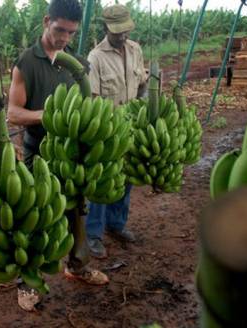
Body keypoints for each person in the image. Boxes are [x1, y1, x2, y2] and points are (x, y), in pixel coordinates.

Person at [8, 0, 109, 312]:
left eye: (70, 32)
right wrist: (50, 115)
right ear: (46, 20)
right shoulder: (26, 62)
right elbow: (13, 113)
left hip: (72, 156)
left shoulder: (78, 65)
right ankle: (27, 281)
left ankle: (78, 266)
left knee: (77, 212)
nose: (64, 37)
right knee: (35, 217)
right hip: (38, 153)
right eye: (59, 29)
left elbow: (87, 106)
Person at [86, 4, 148, 259]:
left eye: (125, 31)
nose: (122, 36)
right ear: (105, 28)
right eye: (117, 32)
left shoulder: (136, 50)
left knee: (126, 180)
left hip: (132, 128)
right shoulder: (95, 57)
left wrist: (144, 107)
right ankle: (93, 234)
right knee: (103, 183)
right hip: (108, 131)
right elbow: (93, 99)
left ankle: (117, 224)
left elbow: (141, 84)